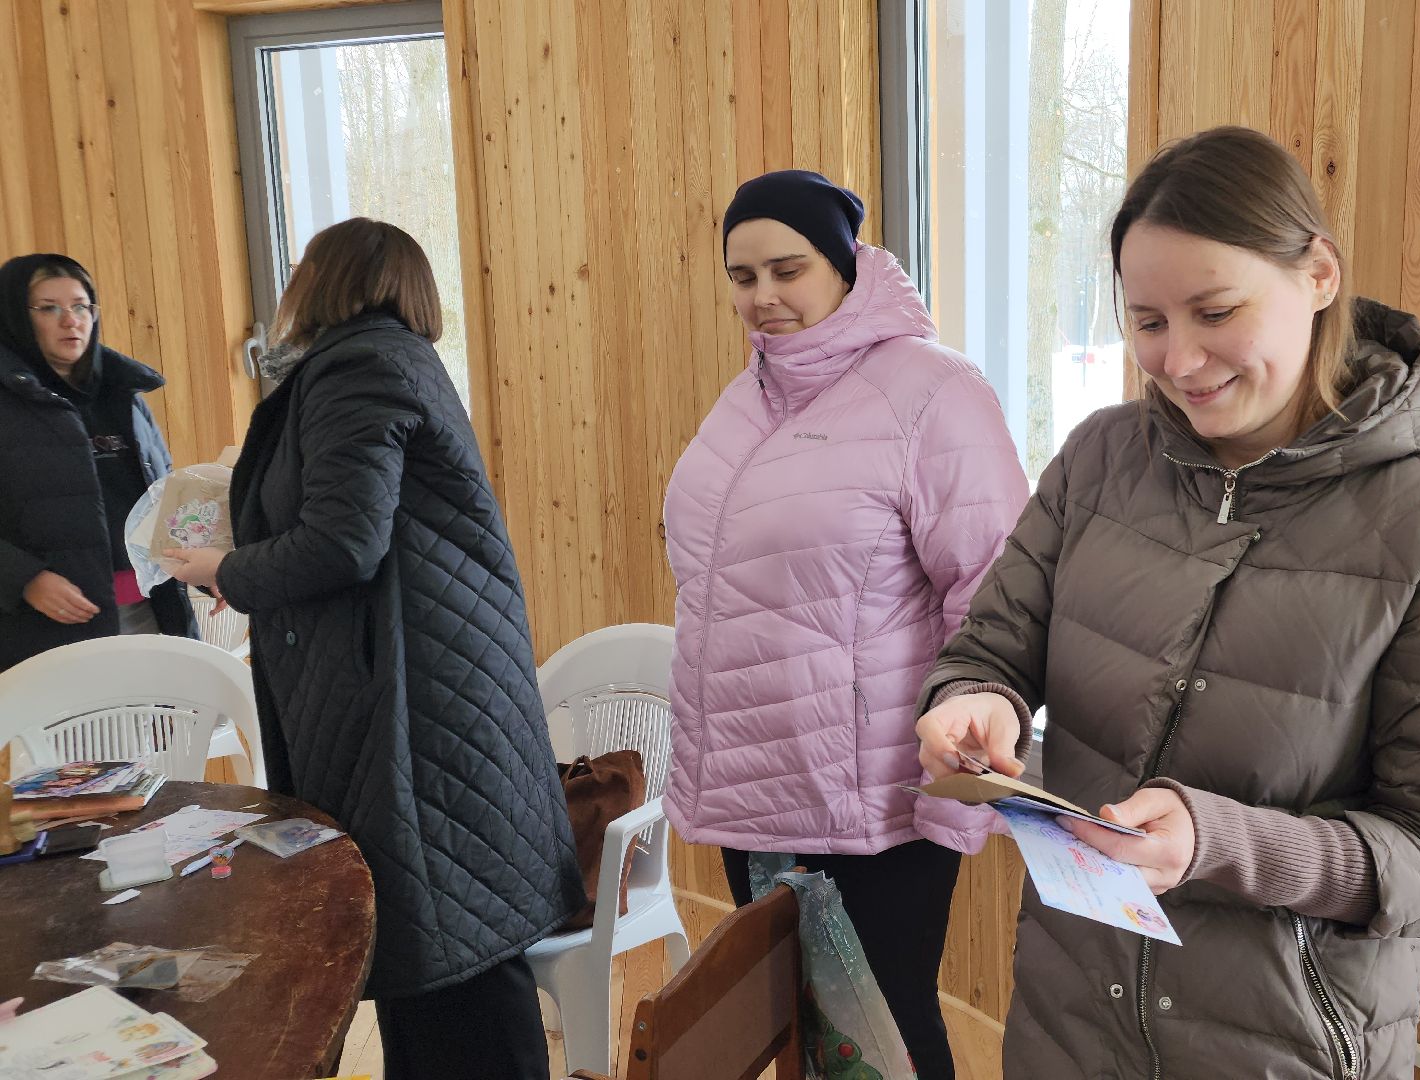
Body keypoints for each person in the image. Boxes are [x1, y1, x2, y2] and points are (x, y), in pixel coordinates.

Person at [915, 126, 1420, 1080]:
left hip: (1284, 1050)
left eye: (1215, 311)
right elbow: (991, 648)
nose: (1180, 360)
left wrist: (1220, 842)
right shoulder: (1100, 459)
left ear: (1318, 274)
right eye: (1148, 322)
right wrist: (975, 701)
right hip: (1067, 1025)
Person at [166, 218, 583, 1080]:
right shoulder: (393, 360)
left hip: (409, 702)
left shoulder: (356, 369)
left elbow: (343, 542)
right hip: (424, 688)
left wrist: (227, 569)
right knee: (445, 948)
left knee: (449, 955)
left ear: (325, 280)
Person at [663, 169, 1029, 1079]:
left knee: (884, 1035)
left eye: (788, 270)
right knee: (795, 1028)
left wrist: (963, 793)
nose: (763, 297)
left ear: (845, 264)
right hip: (755, 789)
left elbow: (997, 590)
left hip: (875, 801)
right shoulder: (748, 397)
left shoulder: (933, 391)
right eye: (742, 277)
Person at [0, 253, 197, 670]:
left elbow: (164, 494)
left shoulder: (123, 393)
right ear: (15, 317)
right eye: (49, 308)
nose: (70, 320)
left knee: (166, 711)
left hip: (150, 606)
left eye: (80, 306)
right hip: (45, 626)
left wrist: (204, 561)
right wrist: (24, 579)